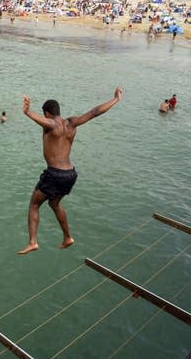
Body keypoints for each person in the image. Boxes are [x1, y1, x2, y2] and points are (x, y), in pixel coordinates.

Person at [18, 87, 123, 255]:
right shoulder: (72, 123)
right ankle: (68, 238)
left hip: (54, 174)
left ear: (47, 113)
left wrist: (28, 112)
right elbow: (95, 112)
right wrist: (116, 99)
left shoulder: (51, 124)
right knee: (54, 203)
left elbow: (47, 123)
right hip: (70, 174)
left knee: (34, 204)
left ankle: (33, 242)